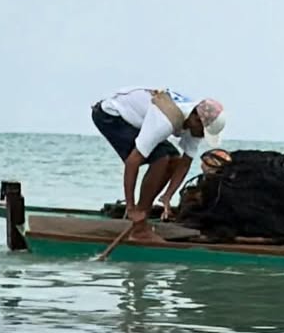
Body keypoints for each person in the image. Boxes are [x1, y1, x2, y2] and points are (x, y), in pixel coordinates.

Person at [91, 88, 226, 228]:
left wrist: (168, 196)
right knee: (161, 158)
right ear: (196, 120)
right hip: (111, 115)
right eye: (203, 133)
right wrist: (130, 207)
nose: (202, 137)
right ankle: (137, 214)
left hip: (140, 119)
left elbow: (185, 163)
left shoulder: (195, 122)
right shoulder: (165, 121)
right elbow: (132, 162)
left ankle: (144, 209)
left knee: (174, 158)